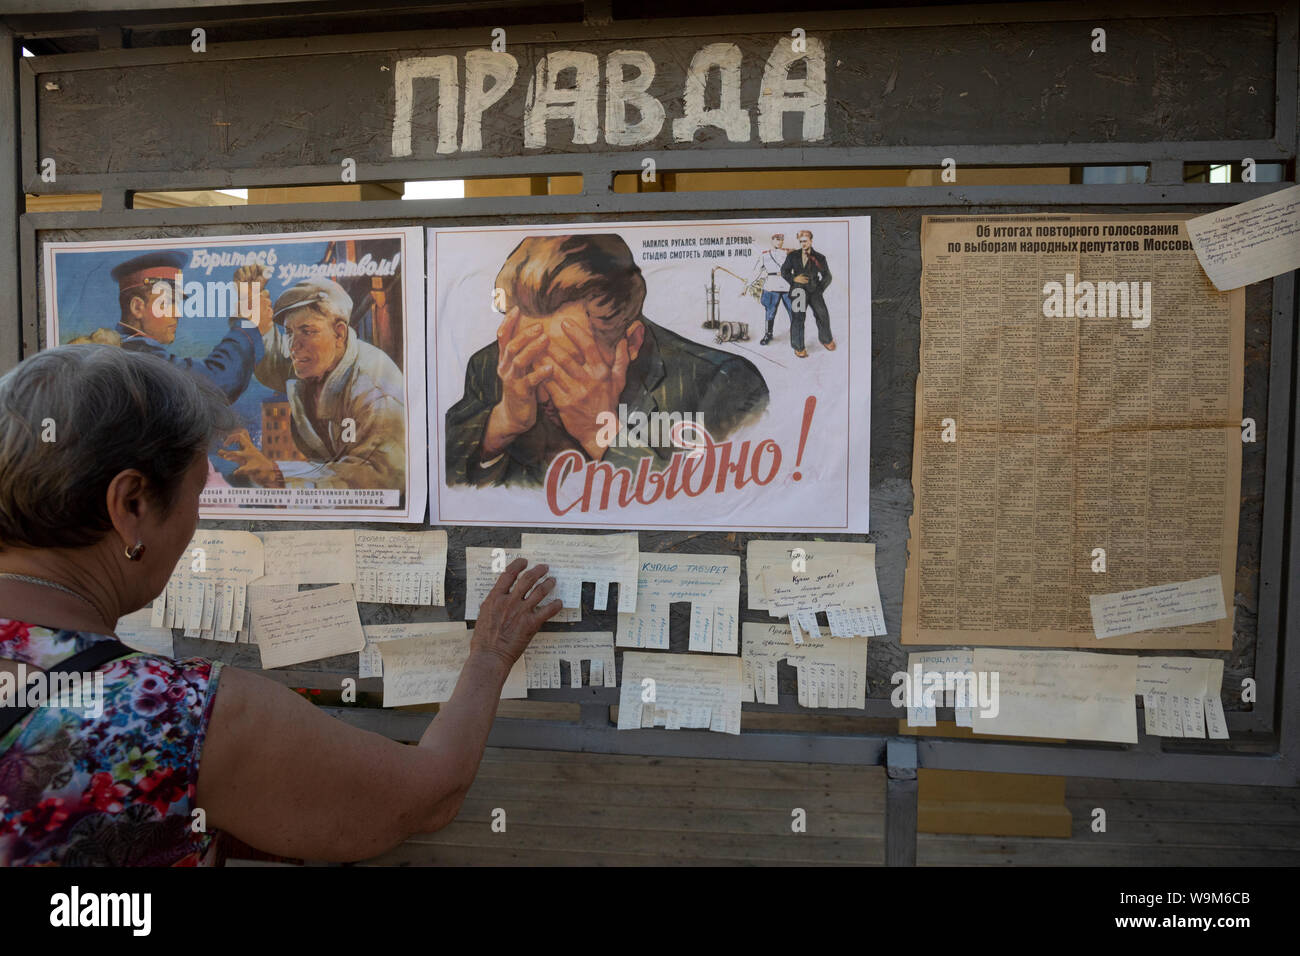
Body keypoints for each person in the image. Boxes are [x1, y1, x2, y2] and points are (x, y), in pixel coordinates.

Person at [0, 345, 560, 866]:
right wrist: (489, 655)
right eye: (198, 493)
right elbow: (424, 795)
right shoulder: (169, 715)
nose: (196, 524)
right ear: (131, 504)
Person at [445, 233, 770, 488]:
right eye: (528, 357)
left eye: (567, 363)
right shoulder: (489, 369)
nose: (539, 382)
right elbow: (448, 483)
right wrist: (499, 428)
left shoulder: (723, 386)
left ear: (631, 343)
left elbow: (710, 508)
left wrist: (599, 435)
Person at [219, 277, 407, 495]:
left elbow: (380, 477)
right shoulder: (315, 365)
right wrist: (249, 305)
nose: (293, 345)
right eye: (289, 332)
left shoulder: (375, 387)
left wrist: (277, 474)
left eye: (307, 331)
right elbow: (271, 361)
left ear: (339, 333)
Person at [102, 251, 266, 403]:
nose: (178, 313)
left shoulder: (122, 348)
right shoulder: (139, 355)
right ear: (137, 307)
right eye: (168, 302)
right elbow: (216, 383)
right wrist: (247, 324)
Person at [780, 229, 835, 358]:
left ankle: (826, 340)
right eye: (800, 241)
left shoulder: (820, 257)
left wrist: (819, 290)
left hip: (815, 291)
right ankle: (798, 347)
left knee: (823, 315)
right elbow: (784, 271)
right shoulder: (792, 256)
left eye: (805, 241)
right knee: (798, 318)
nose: (803, 244)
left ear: (811, 240)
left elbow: (827, 276)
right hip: (798, 291)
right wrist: (794, 279)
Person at [752, 233, 793, 346]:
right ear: (772, 241)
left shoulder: (789, 253)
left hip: (787, 286)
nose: (779, 242)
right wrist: (747, 285)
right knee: (770, 312)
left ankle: (795, 334)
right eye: (777, 240)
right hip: (772, 285)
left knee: (793, 311)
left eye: (781, 240)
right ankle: (768, 334)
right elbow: (757, 271)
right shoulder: (765, 255)